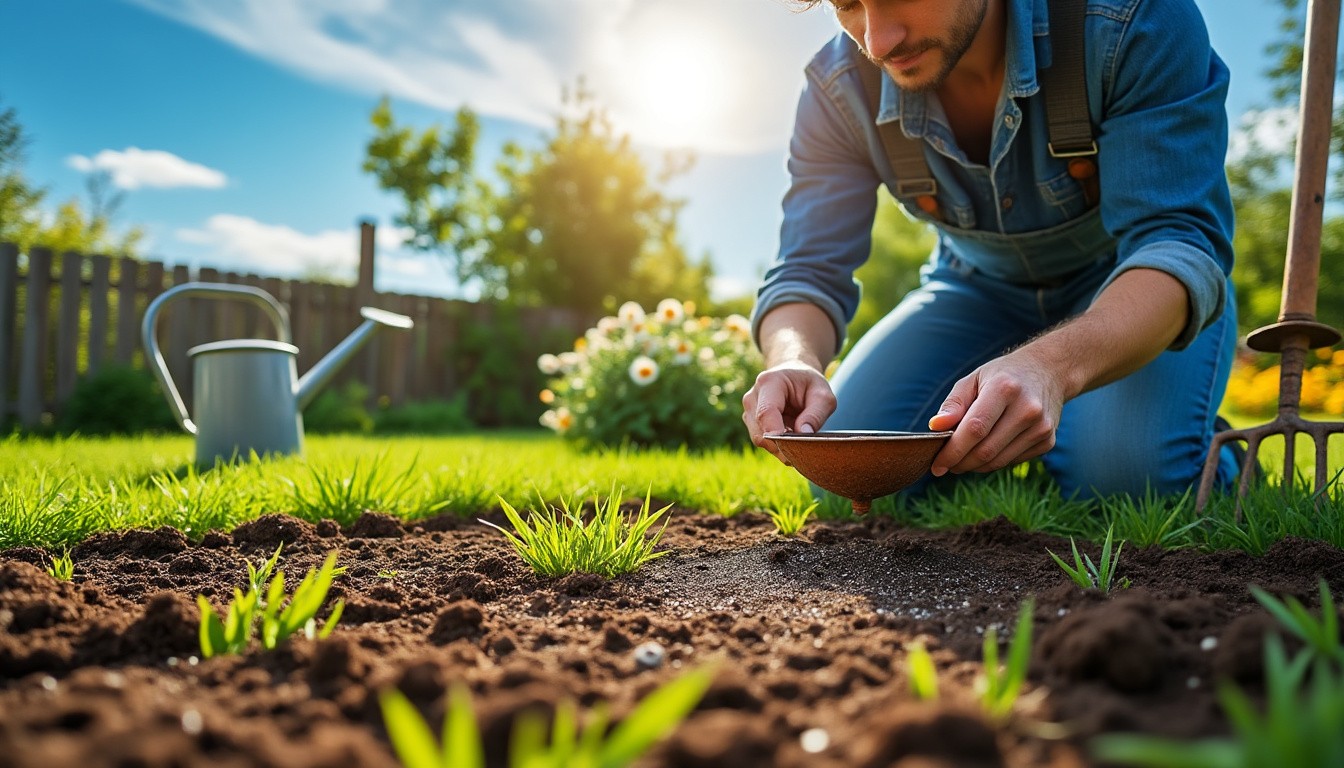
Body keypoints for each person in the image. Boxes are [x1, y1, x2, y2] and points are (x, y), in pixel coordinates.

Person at [742, 0, 1240, 499]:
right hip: (973, 290)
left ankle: (1208, 455)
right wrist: (795, 358)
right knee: (849, 472)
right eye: (848, 5)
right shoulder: (839, 87)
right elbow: (807, 267)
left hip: (1132, 287)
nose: (876, 42)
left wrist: (1051, 367)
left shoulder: (1133, 21)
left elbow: (1176, 243)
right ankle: (1022, 450)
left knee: (1125, 478)